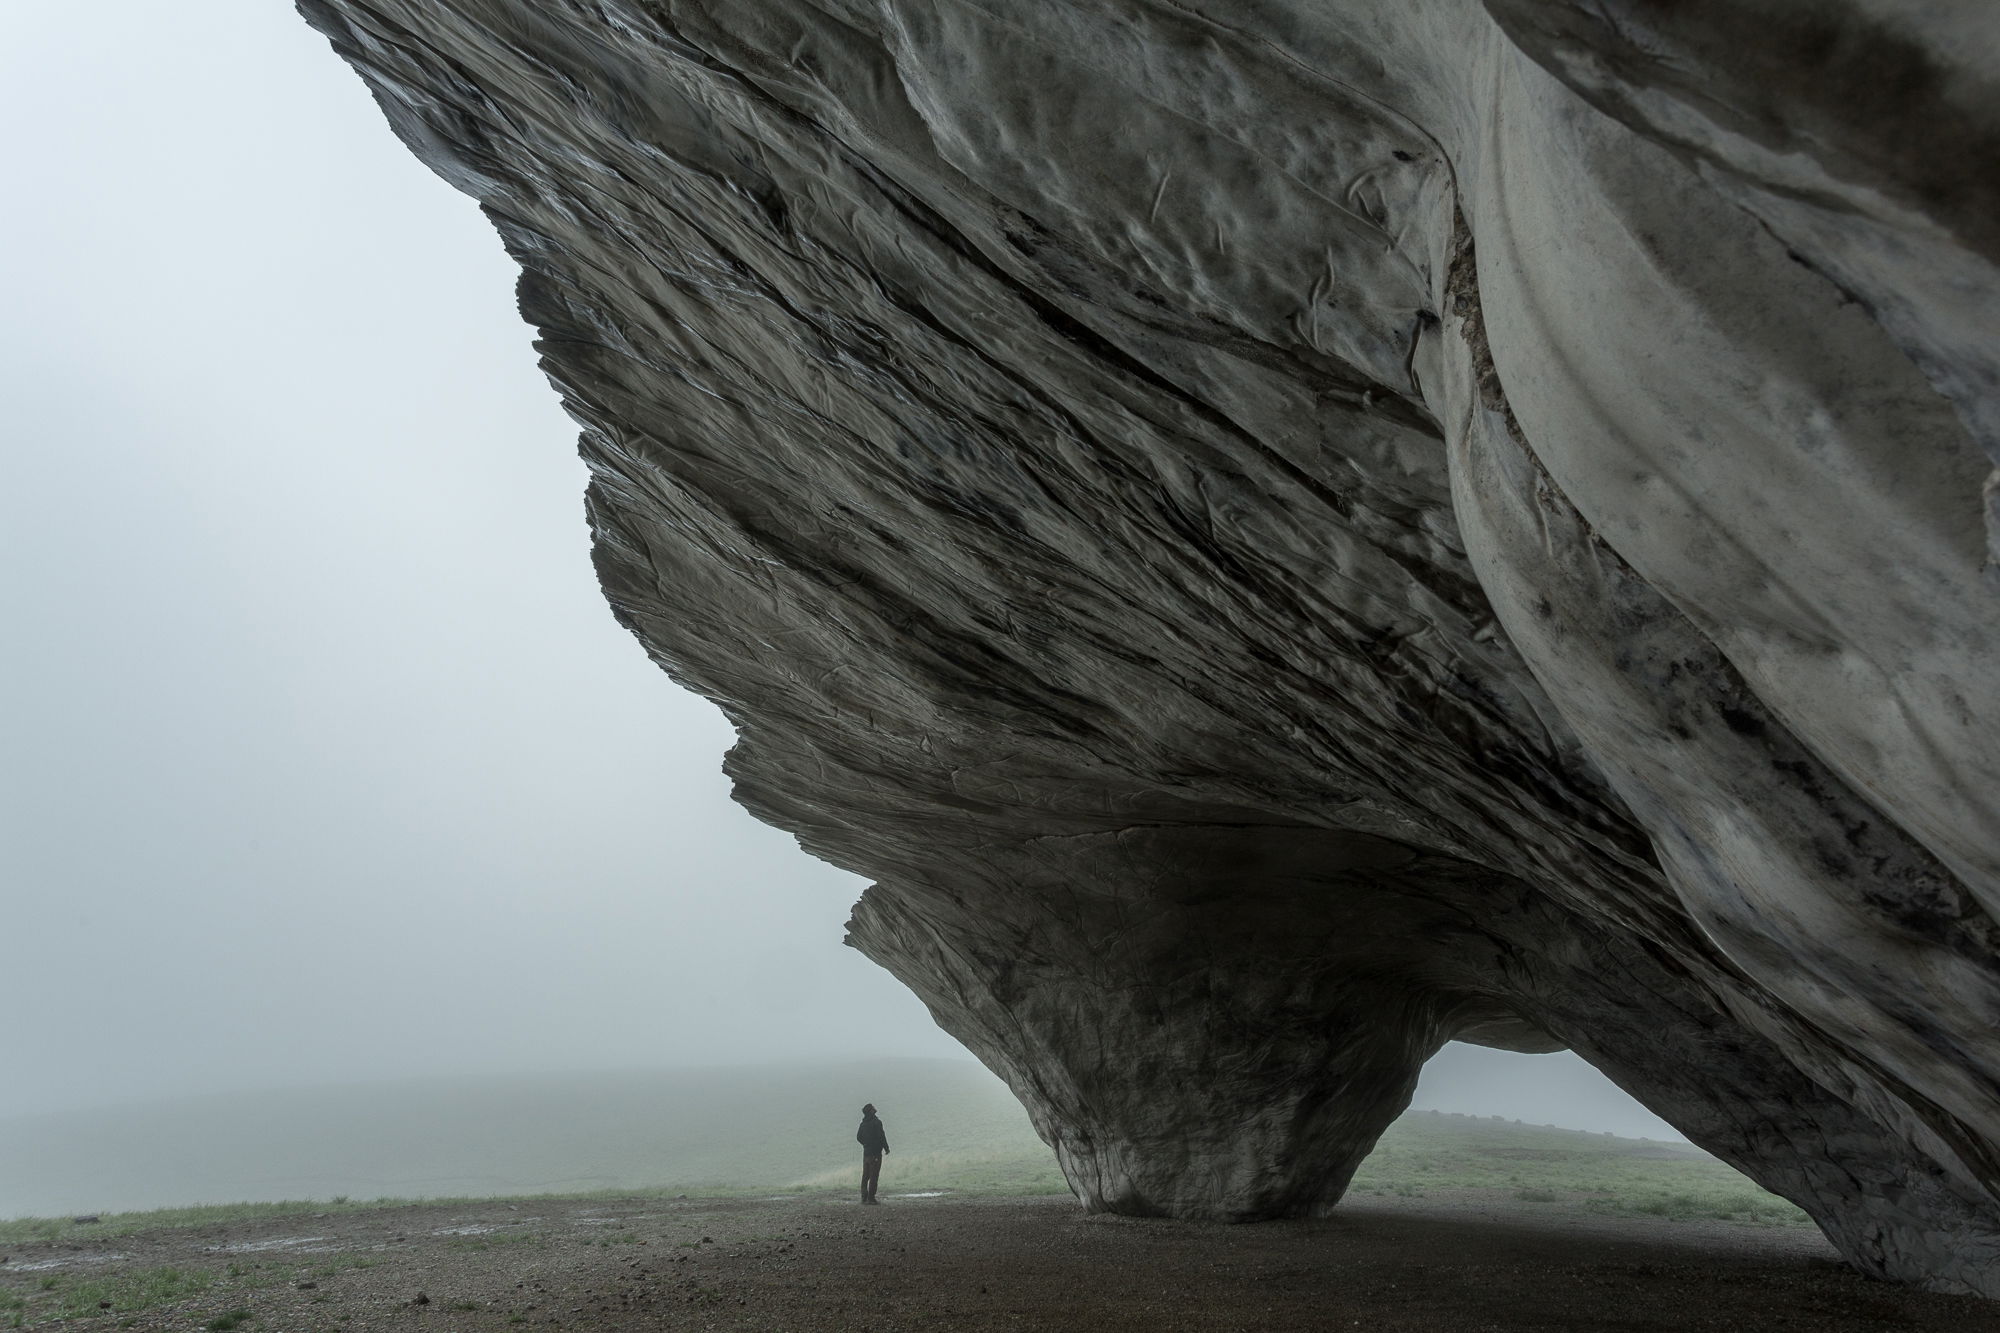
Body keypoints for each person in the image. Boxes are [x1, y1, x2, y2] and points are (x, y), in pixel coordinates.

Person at [856, 1102, 890, 1203]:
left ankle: (864, 1196)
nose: (875, 1108)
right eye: (873, 1107)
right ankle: (871, 1198)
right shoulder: (877, 1122)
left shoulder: (863, 1124)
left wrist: (866, 1144)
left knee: (865, 1176)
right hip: (875, 1153)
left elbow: (858, 1137)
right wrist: (886, 1148)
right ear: (871, 1111)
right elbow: (881, 1136)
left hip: (866, 1153)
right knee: (874, 1175)